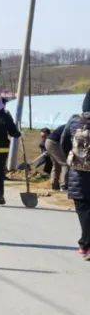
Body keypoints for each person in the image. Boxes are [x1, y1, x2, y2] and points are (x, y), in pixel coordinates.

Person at [60, 91, 90, 259]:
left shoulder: (74, 121)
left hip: (78, 173)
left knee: (84, 209)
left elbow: (64, 143)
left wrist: (72, 160)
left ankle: (85, 245)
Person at [45, 123, 69, 191]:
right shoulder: (72, 127)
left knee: (56, 164)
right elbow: (65, 141)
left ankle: (54, 185)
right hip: (54, 143)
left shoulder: (69, 125)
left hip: (49, 142)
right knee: (65, 164)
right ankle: (64, 186)